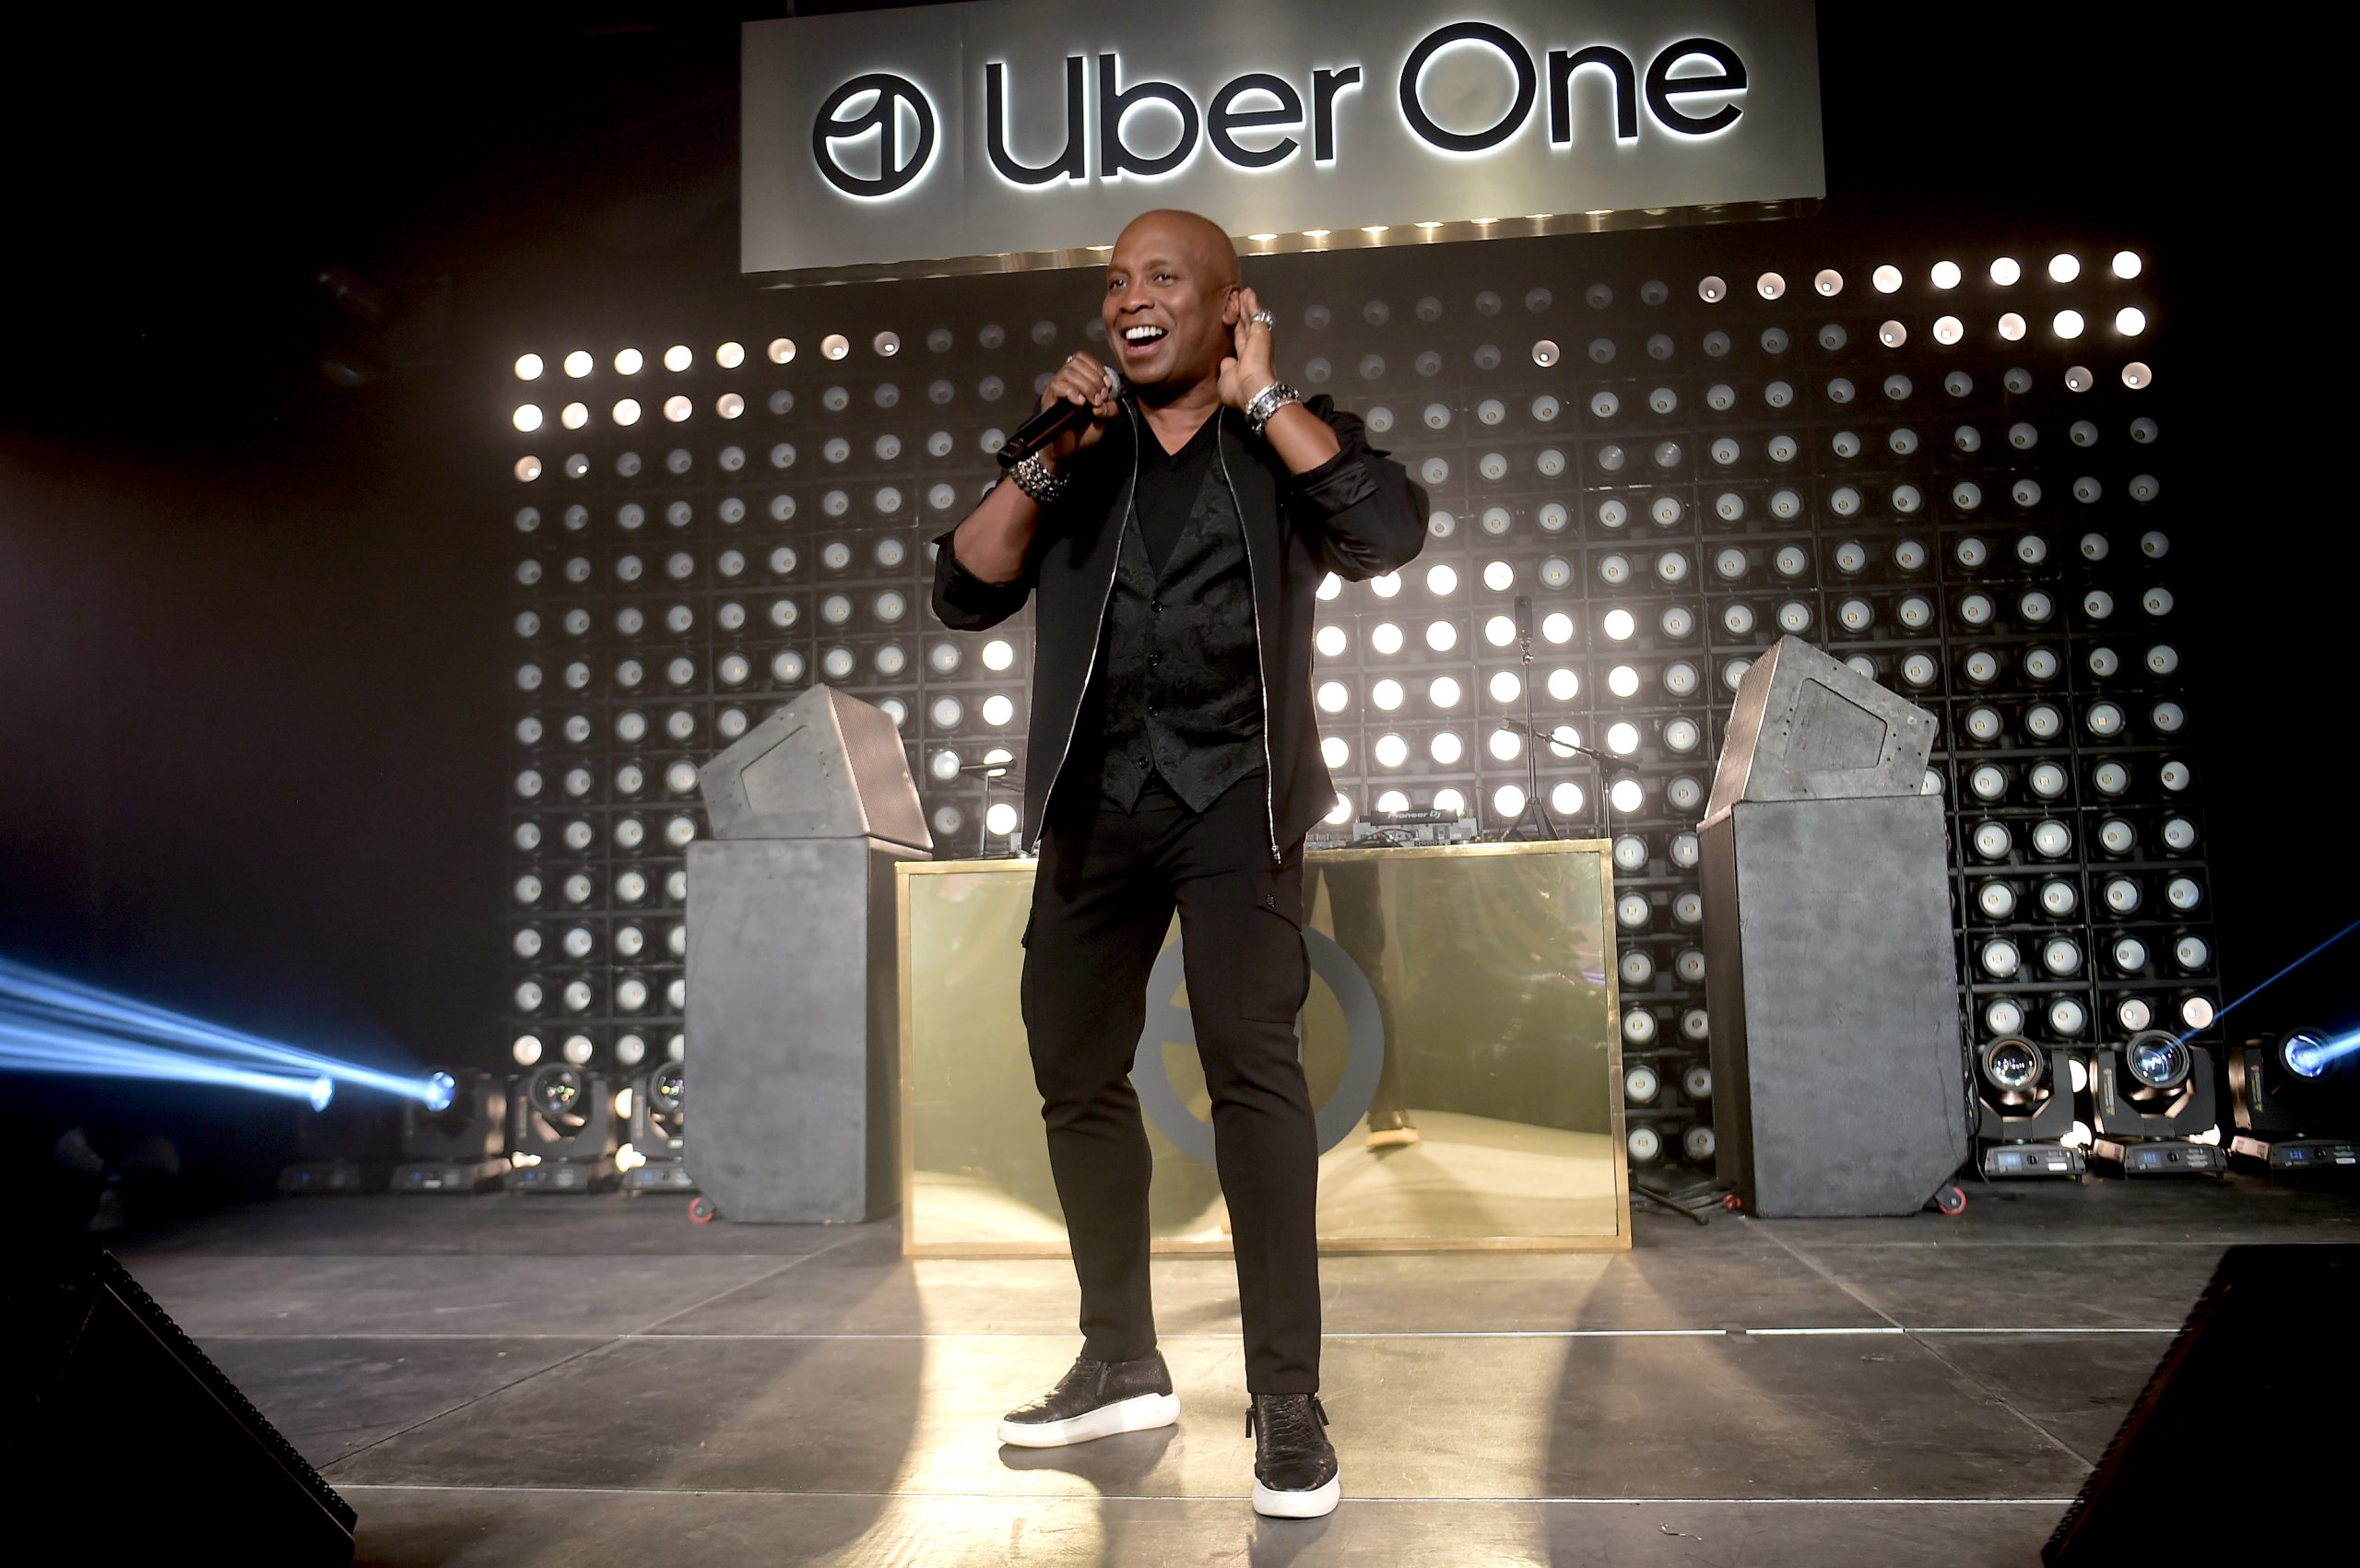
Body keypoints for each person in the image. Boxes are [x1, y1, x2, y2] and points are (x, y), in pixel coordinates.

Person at [929, 208, 1427, 1517]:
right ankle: (1120, 1359)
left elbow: (1386, 530)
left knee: (1253, 1070)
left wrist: (1264, 399)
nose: (1129, 299)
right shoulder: (1075, 446)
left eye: (1161, 278)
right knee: (1073, 1067)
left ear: (1228, 306)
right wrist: (1048, 451)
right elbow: (964, 586)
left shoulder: (1283, 435)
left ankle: (1286, 1399)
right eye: (1114, 282)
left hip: (1236, 804)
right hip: (1094, 804)